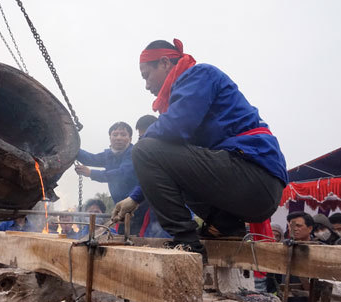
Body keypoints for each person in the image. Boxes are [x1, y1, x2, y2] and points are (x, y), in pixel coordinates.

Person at [112, 39, 287, 260]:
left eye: (146, 75)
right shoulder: (186, 93)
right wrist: (135, 198)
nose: (147, 85)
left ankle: (186, 242)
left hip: (254, 175)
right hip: (249, 187)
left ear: (165, 63)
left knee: (144, 149)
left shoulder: (198, 75)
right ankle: (225, 227)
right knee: (157, 156)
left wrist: (142, 150)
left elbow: (173, 129)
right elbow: (170, 161)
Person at [75, 122, 147, 235]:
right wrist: (73, 147)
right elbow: (90, 159)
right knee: (123, 237)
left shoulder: (133, 153)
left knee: (139, 237)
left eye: (123, 134)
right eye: (115, 134)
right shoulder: (108, 155)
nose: (118, 138)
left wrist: (91, 173)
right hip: (121, 208)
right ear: (110, 137)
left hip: (139, 205)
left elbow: (121, 174)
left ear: (130, 138)